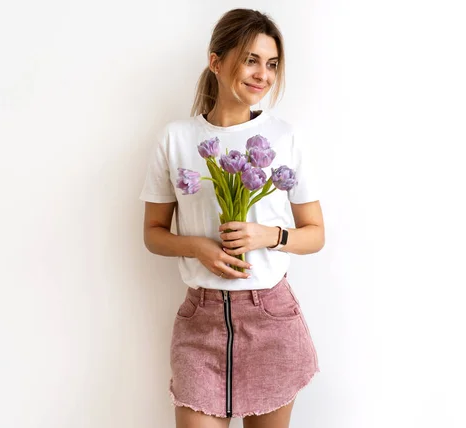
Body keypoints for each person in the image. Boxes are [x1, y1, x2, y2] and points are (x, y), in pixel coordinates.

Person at [139, 8, 325, 428]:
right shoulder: (176, 137)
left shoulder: (284, 137)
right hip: (200, 325)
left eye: (272, 64)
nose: (263, 74)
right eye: (251, 59)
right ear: (216, 61)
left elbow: (315, 234)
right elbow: (153, 234)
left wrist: (268, 235)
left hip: (271, 318)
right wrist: (198, 247)